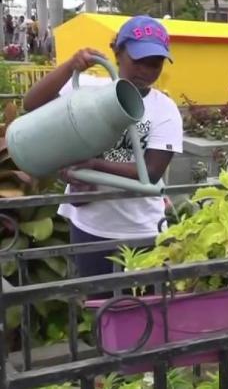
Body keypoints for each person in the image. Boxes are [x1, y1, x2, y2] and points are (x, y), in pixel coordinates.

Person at [23, 15, 183, 277]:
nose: (146, 71)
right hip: (91, 226)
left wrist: (96, 165)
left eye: (155, 64)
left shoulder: (164, 109)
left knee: (144, 309)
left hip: (142, 228)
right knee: (97, 305)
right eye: (139, 61)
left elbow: (152, 171)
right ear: (117, 53)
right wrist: (69, 67)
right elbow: (32, 104)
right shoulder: (87, 90)